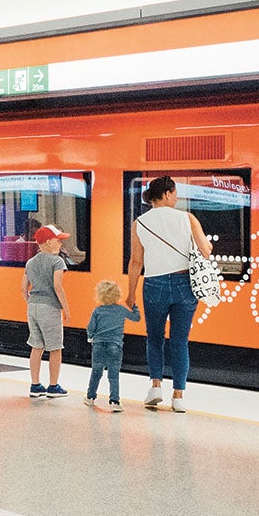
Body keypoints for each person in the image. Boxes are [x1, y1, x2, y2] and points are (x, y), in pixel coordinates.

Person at [125, 175, 214, 413]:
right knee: (179, 341)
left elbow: (135, 262)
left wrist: (131, 294)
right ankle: (178, 396)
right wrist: (207, 246)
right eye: (174, 193)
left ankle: (155, 387)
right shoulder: (188, 218)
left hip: (154, 284)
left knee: (154, 337)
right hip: (185, 283)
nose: (176, 198)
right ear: (166, 194)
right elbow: (205, 251)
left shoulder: (139, 223)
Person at [23, 224, 71, 398]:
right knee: (55, 348)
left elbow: (23, 289)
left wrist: (31, 303)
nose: (61, 245)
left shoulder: (30, 262)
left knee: (37, 347)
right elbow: (58, 286)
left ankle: (35, 386)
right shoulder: (57, 261)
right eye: (59, 241)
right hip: (49, 307)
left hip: (33, 307)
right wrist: (66, 309)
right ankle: (53, 386)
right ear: (49, 242)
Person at [85, 280, 140, 411]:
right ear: (117, 295)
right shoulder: (121, 310)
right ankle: (114, 401)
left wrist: (90, 337)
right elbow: (136, 318)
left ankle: (90, 397)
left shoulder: (97, 311)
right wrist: (134, 306)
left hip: (98, 344)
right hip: (115, 345)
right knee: (113, 375)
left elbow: (90, 327)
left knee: (96, 372)